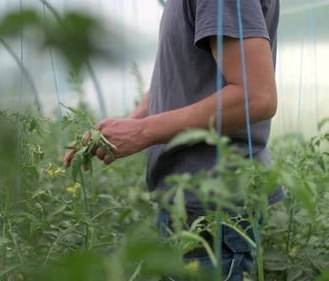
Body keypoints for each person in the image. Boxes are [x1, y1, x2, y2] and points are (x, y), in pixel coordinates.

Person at [64, 0, 285, 280]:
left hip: (211, 209)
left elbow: (256, 97)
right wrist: (125, 126)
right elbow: (179, 78)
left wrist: (143, 131)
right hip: (188, 202)